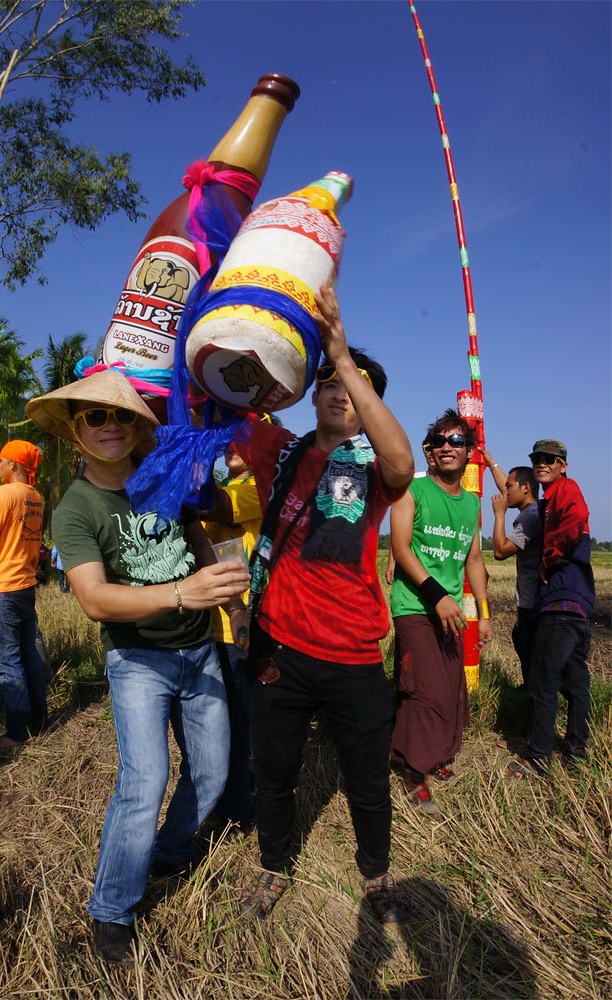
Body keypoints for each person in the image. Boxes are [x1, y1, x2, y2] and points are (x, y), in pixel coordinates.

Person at [26, 369, 250, 967]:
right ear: (76, 432)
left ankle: (167, 856)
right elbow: (95, 600)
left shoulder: (161, 477)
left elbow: (198, 537)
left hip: (200, 649)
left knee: (212, 774)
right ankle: (112, 910)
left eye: (123, 415)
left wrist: (229, 596)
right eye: (96, 417)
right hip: (138, 660)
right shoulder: (76, 508)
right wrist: (184, 592)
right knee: (144, 781)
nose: (111, 426)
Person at [235, 285, 415, 926]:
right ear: (312, 394)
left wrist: (342, 354)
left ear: (370, 402)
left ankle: (375, 875)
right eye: (332, 382)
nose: (342, 390)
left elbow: (403, 458)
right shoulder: (278, 449)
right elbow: (222, 405)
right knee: (275, 769)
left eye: (357, 384)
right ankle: (273, 866)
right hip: (280, 648)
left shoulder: (375, 467)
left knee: (366, 780)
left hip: (354, 653)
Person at [389, 409, 492, 814]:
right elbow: (400, 549)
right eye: (440, 441)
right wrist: (437, 596)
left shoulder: (471, 505)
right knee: (423, 688)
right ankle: (417, 773)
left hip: (449, 609)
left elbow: (475, 560)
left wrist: (483, 613)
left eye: (457, 441)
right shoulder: (411, 492)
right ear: (429, 451)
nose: (448, 447)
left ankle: (426, 753)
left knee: (450, 689)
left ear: (468, 452)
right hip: (416, 605)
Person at [507, 440, 595, 778]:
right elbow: (517, 489)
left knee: (543, 681)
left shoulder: (566, 490)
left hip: (560, 603)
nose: (542, 463)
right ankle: (576, 751)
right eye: (537, 459)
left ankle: (539, 757)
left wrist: (549, 558)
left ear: (562, 465)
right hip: (576, 605)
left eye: (549, 460)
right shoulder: (547, 501)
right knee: (575, 683)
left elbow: (576, 519)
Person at [201, 442, 262, 829]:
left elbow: (210, 506)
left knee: (236, 723)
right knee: (222, 721)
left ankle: (237, 808)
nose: (234, 446)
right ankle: (235, 793)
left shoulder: (258, 485)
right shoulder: (227, 484)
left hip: (235, 624)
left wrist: (195, 450)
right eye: (230, 438)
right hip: (212, 621)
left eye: (249, 437)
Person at [0, 440, 47, 748]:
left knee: (8, 662)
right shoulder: (36, 497)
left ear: (15, 465)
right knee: (29, 656)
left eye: (2, 461)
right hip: (26, 584)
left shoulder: (5, 494)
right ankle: (39, 720)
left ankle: (16, 733)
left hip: (4, 588)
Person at [483, 449, 540, 688]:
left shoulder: (530, 517)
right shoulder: (531, 509)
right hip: (530, 598)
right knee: (521, 639)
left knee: (530, 649)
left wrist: (499, 516)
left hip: (533, 601)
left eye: (509, 487)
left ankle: (533, 694)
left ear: (525, 488)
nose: (504, 492)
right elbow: (509, 487)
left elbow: (500, 551)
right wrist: (491, 463)